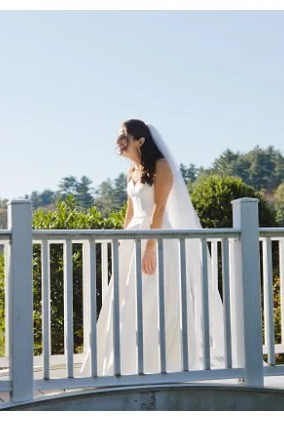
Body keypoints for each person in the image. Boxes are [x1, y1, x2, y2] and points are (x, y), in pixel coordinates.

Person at [78, 119, 227, 377]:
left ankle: (162, 365)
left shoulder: (162, 166)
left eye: (124, 136)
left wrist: (150, 247)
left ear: (141, 140)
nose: (118, 142)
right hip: (133, 239)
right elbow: (130, 210)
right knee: (125, 302)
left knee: (154, 299)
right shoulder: (131, 172)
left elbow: (158, 209)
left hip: (155, 238)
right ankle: (123, 365)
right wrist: (122, 242)